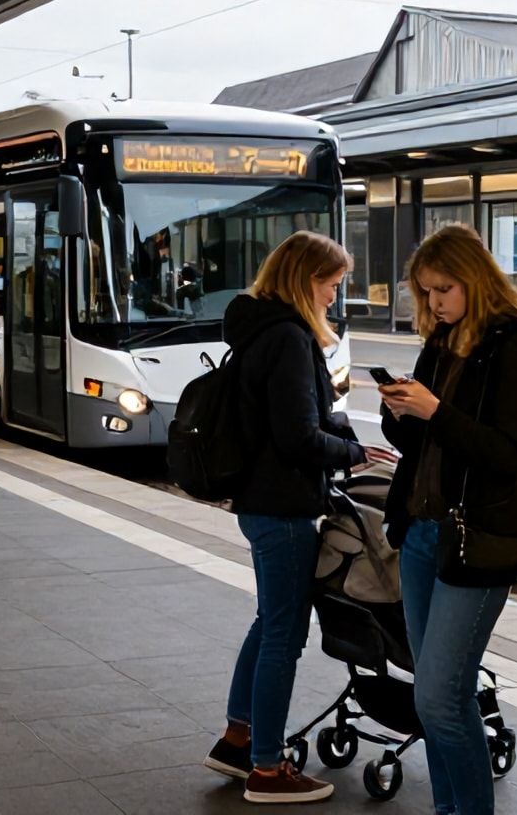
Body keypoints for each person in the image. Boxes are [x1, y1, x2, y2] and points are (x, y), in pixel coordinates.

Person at [203, 230, 395, 805]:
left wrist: (345, 435)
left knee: (269, 623)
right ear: (305, 279)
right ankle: (266, 769)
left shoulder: (258, 329)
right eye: (332, 285)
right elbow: (296, 436)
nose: (335, 297)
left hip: (260, 501)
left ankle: (238, 739)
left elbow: (289, 417)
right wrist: (356, 452)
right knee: (284, 635)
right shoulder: (288, 338)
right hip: (284, 507)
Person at [378, 224, 517, 815]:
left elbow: (510, 454)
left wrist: (436, 412)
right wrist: (401, 412)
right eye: (425, 293)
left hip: (477, 540)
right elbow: (422, 443)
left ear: (474, 278)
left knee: (444, 695)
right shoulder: (441, 341)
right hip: (423, 534)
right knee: (430, 696)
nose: (434, 303)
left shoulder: (512, 347)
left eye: (443, 289)